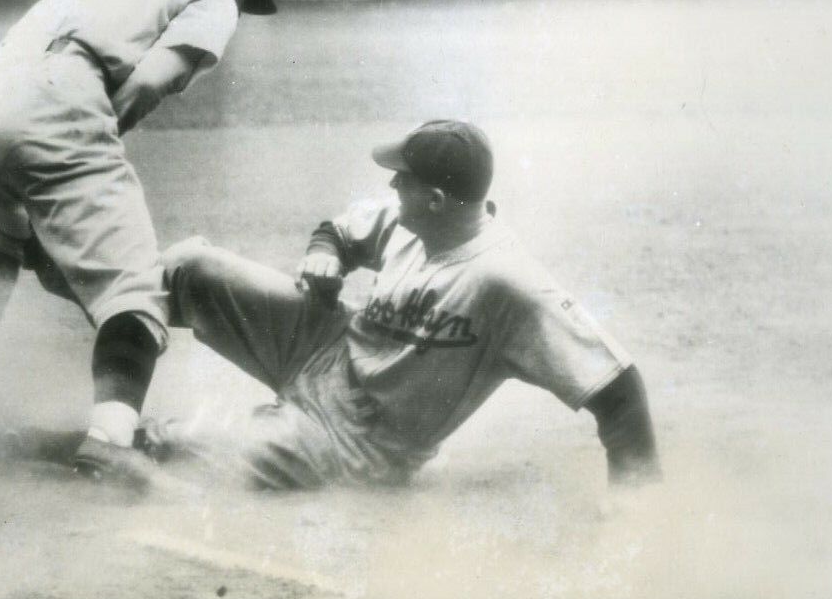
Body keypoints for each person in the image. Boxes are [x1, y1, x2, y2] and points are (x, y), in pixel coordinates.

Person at [130, 120, 658, 492]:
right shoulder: (414, 219)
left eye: (403, 178)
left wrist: (638, 501)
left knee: (170, 447)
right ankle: (80, 285)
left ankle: (114, 438)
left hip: (351, 444)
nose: (391, 184)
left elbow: (619, 389)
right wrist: (324, 256)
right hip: (322, 349)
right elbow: (334, 231)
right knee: (191, 267)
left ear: (436, 200)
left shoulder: (506, 283)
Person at [0, 0, 277, 479]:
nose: (243, 8)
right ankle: (111, 442)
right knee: (137, 290)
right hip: (58, 99)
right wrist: (83, 144)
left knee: (5, 232)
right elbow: (150, 81)